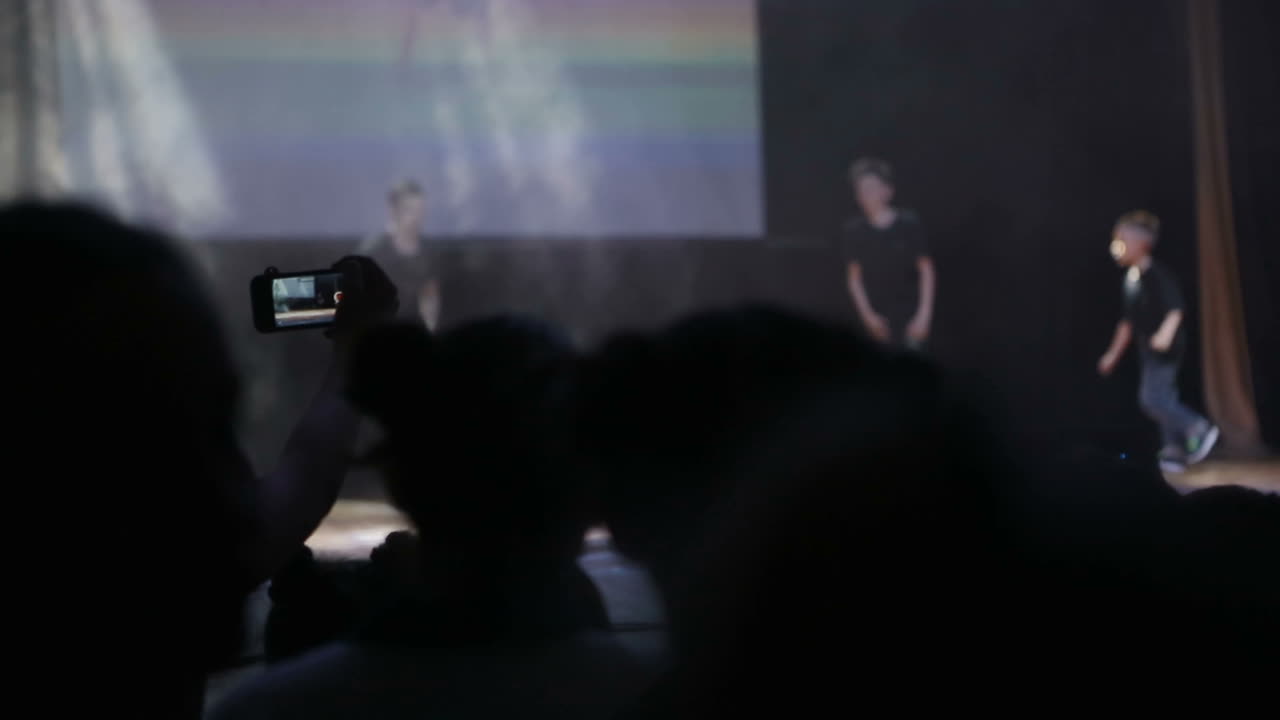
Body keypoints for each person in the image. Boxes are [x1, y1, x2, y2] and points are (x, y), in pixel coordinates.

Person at [2, 201, 397, 718]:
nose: (231, 483)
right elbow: (295, 491)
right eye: (198, 424)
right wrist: (355, 350)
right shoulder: (157, 564)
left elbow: (293, 492)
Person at [1097, 210, 1219, 473]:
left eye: (1123, 241)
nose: (1117, 247)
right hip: (1147, 350)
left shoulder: (1156, 274)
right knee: (1163, 398)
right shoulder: (1130, 280)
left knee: (1152, 399)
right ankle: (1173, 452)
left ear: (1141, 244)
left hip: (1166, 349)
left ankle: (1197, 426)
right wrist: (1112, 354)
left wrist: (1164, 334)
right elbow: (1127, 324)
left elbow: (1175, 309)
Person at [841, 158, 936, 349]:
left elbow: (926, 270)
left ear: (887, 191)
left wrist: (924, 316)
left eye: (871, 188)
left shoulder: (909, 223)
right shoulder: (854, 230)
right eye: (861, 190)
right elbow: (854, 278)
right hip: (876, 318)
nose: (866, 194)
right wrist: (867, 316)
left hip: (910, 315)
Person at [357, 179, 441, 329]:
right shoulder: (371, 252)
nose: (416, 218)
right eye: (409, 210)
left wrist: (430, 331)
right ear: (393, 210)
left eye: (420, 211)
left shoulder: (428, 252)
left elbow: (429, 297)